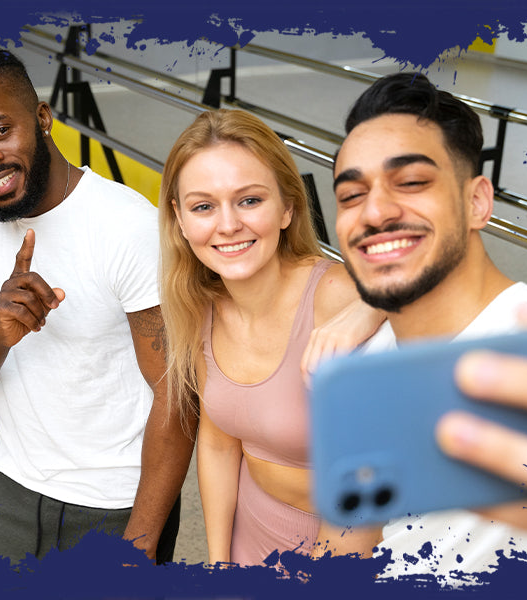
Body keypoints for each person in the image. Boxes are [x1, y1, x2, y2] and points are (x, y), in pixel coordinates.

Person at [0, 39, 195, 566]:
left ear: (43, 117)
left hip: (117, 500)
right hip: (12, 486)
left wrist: (138, 548)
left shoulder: (127, 227)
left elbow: (177, 397)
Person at [332, 72, 527, 581]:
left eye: (413, 181)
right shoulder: (363, 367)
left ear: (476, 202)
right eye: (351, 195)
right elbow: (350, 540)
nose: (374, 211)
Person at [158, 109, 384, 569]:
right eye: (203, 206)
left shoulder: (339, 301)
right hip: (256, 532)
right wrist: (220, 565)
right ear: (180, 220)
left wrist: (372, 304)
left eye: (249, 200)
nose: (227, 225)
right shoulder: (199, 307)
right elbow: (220, 443)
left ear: (288, 207)